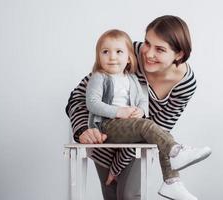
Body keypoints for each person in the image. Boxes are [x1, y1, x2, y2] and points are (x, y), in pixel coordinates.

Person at [66, 15, 211, 200]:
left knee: (128, 194)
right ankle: (173, 174)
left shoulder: (186, 84)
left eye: (159, 49)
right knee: (111, 194)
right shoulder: (128, 53)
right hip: (102, 134)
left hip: (137, 141)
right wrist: (82, 130)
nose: (148, 53)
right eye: (147, 43)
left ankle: (172, 179)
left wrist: (117, 165)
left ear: (179, 54)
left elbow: (159, 128)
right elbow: (80, 96)